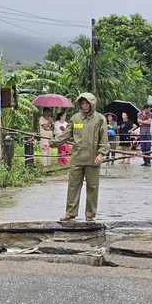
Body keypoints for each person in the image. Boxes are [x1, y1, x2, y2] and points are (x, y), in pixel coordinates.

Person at [51, 93, 110, 221]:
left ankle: (90, 214)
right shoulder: (75, 118)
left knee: (92, 187)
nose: (84, 106)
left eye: (87, 103)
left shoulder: (100, 119)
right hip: (77, 158)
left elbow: (104, 139)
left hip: (93, 159)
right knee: (73, 186)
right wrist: (51, 143)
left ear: (92, 104)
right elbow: (66, 135)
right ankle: (70, 212)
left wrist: (101, 154)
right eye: (82, 103)